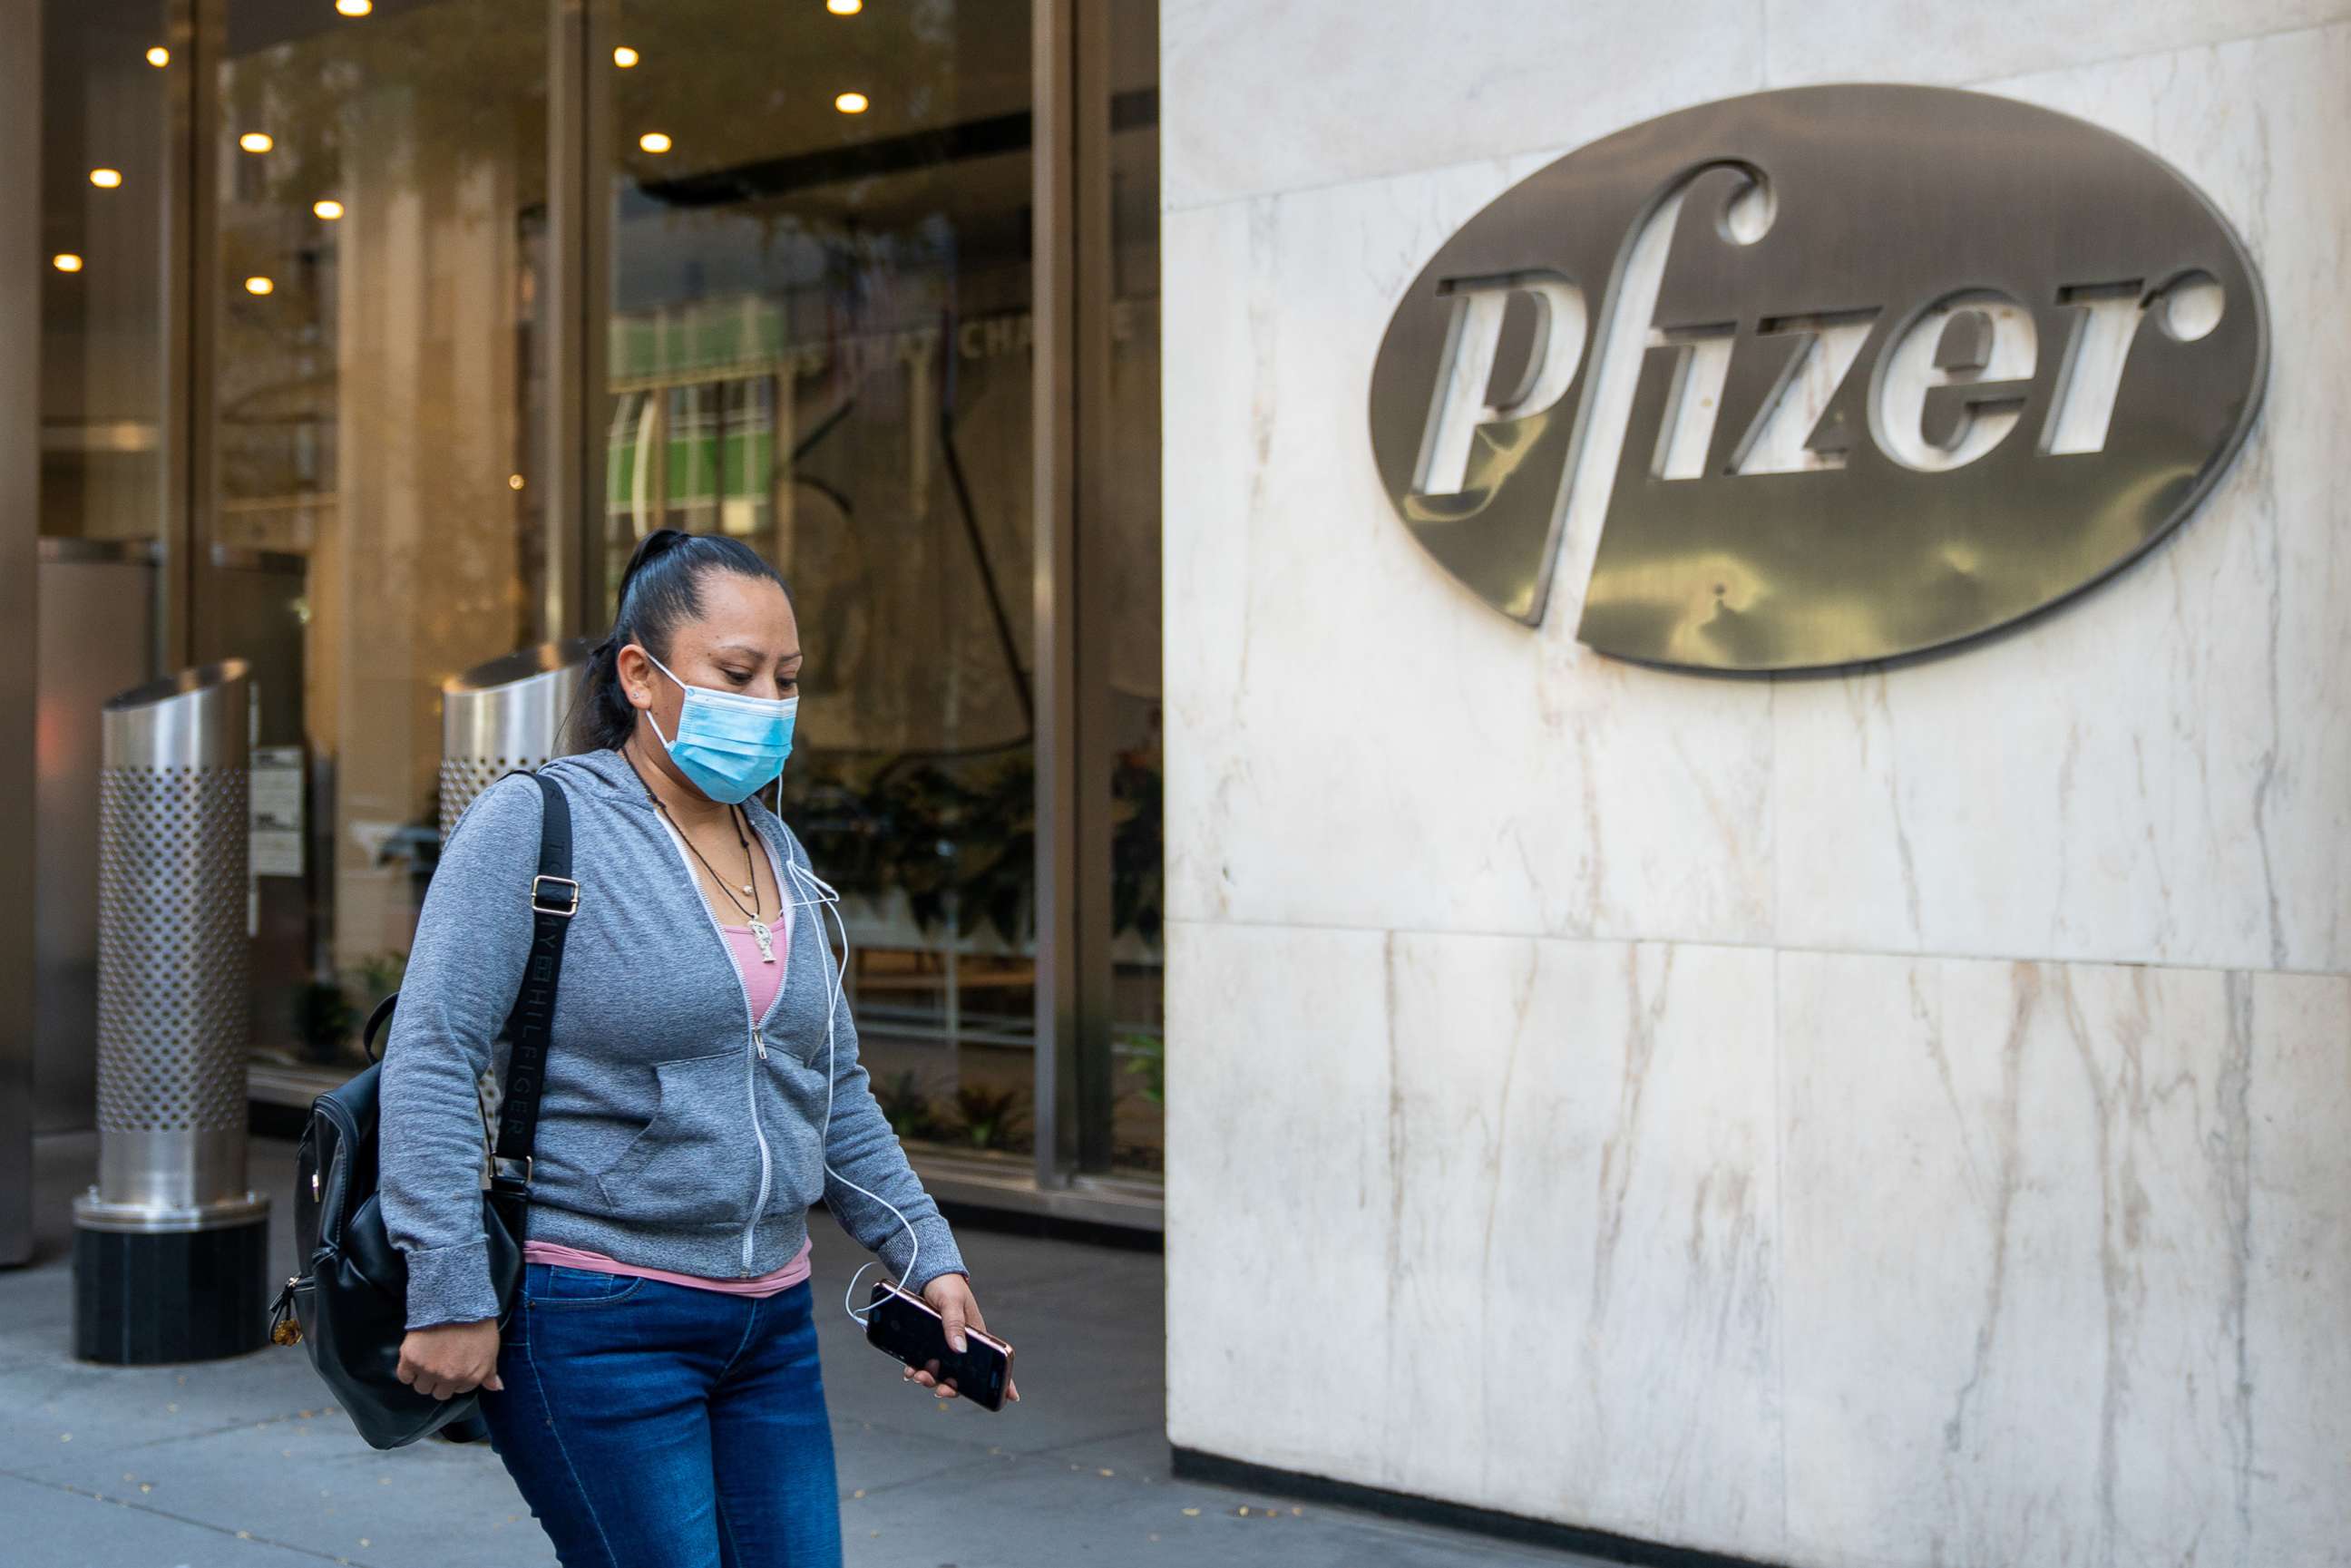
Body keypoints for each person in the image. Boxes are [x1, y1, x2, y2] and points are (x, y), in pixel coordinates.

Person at [376, 528, 1016, 1568]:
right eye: (737, 673)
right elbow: (434, 1054)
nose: (768, 701)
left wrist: (925, 1254)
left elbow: (833, 1086)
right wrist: (448, 1290)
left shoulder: (777, 846)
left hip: (769, 1322)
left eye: (787, 678)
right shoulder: (533, 826)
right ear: (641, 673)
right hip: (595, 1315)